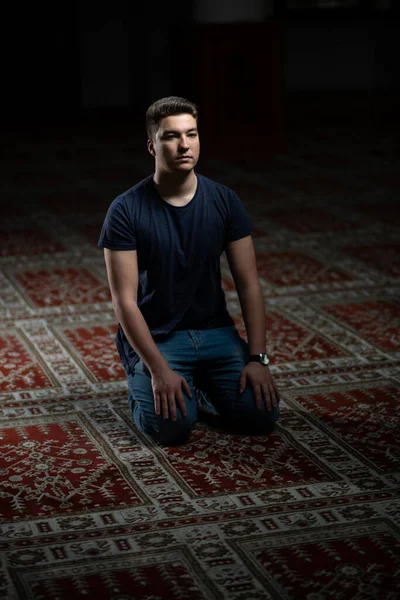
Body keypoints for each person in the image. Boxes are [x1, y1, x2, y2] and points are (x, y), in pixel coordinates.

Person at [98, 96, 280, 446]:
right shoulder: (125, 210)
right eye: (171, 136)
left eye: (191, 134)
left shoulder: (224, 200)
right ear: (152, 146)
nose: (184, 145)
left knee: (261, 415)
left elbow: (249, 285)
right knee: (172, 427)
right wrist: (157, 369)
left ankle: (202, 387)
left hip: (214, 331)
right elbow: (124, 302)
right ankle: (144, 385)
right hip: (158, 337)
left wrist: (258, 358)